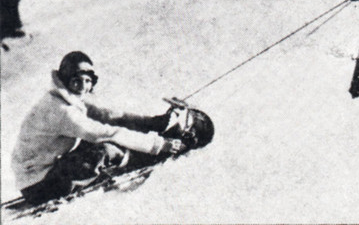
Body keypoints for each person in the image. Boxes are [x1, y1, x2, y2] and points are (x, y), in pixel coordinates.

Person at [11, 51, 214, 205]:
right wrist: (159, 145)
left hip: (41, 175)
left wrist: (154, 122)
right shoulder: (63, 111)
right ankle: (143, 159)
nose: (82, 87)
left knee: (98, 142)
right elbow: (108, 132)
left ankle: (138, 153)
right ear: (66, 80)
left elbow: (110, 116)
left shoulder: (66, 97)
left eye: (87, 81)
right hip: (39, 187)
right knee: (106, 149)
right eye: (76, 81)